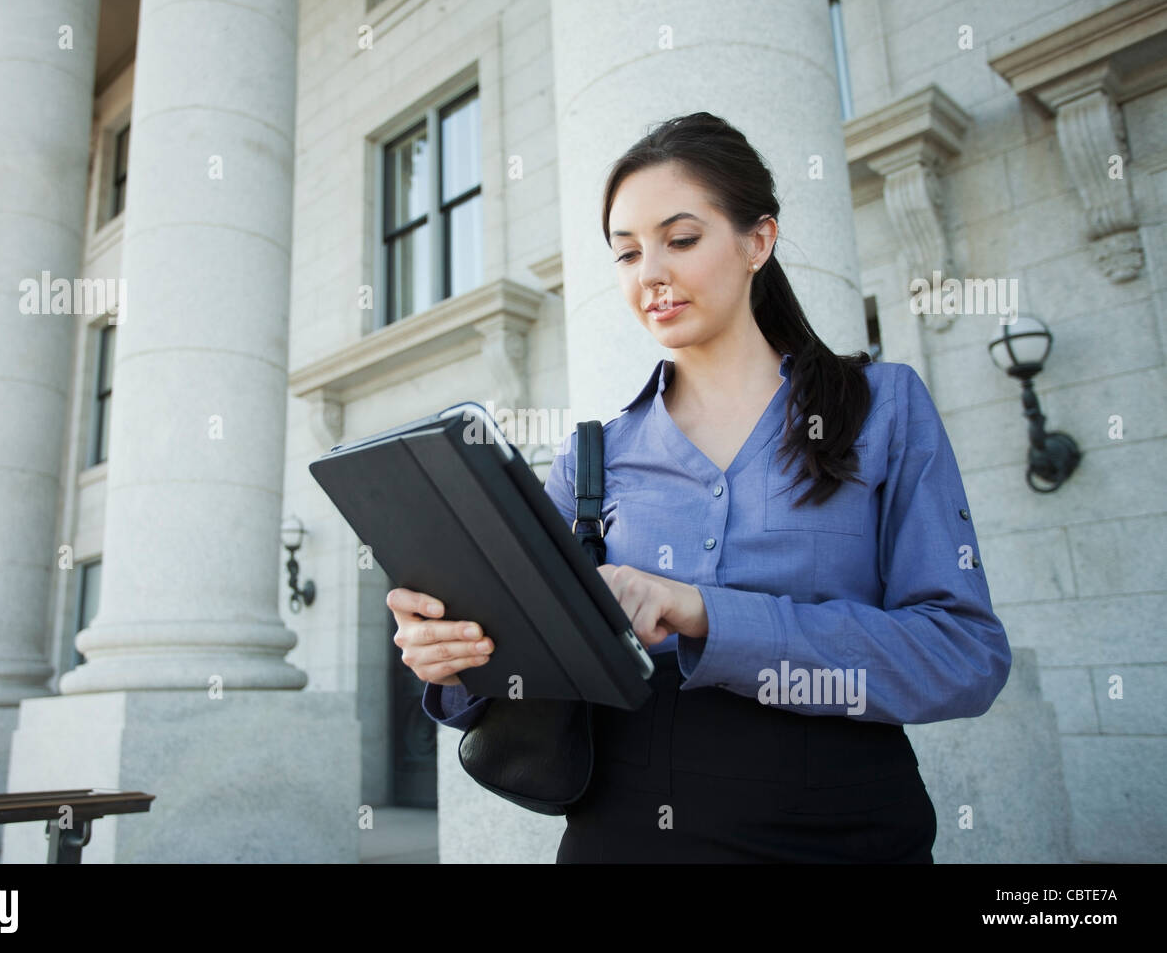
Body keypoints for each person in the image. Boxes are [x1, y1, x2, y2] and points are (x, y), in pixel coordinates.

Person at [388, 111, 1011, 863]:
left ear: (758, 240)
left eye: (681, 240)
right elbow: (523, 676)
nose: (651, 274)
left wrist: (704, 613)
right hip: (624, 836)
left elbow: (964, 656)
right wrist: (454, 652)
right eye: (626, 254)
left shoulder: (883, 407)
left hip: (845, 835)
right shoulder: (591, 457)